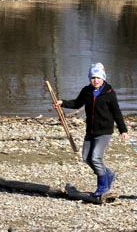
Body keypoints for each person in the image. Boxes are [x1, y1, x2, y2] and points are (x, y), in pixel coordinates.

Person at [54, 62, 129, 196]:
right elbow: (77, 103)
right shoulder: (86, 91)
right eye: (93, 78)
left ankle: (103, 187)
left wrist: (123, 130)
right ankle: (109, 174)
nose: (95, 80)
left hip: (104, 131)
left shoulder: (110, 93)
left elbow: (117, 112)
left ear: (103, 78)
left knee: (95, 157)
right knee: (86, 157)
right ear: (90, 78)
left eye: (98, 78)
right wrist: (62, 103)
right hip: (91, 131)